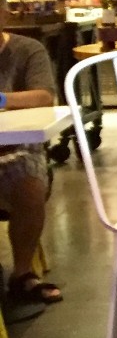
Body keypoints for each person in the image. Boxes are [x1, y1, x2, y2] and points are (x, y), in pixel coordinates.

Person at [0, 26, 60, 322]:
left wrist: (2, 100)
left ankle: (22, 273)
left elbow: (44, 96)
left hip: (17, 150)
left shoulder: (27, 50)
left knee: (29, 183)